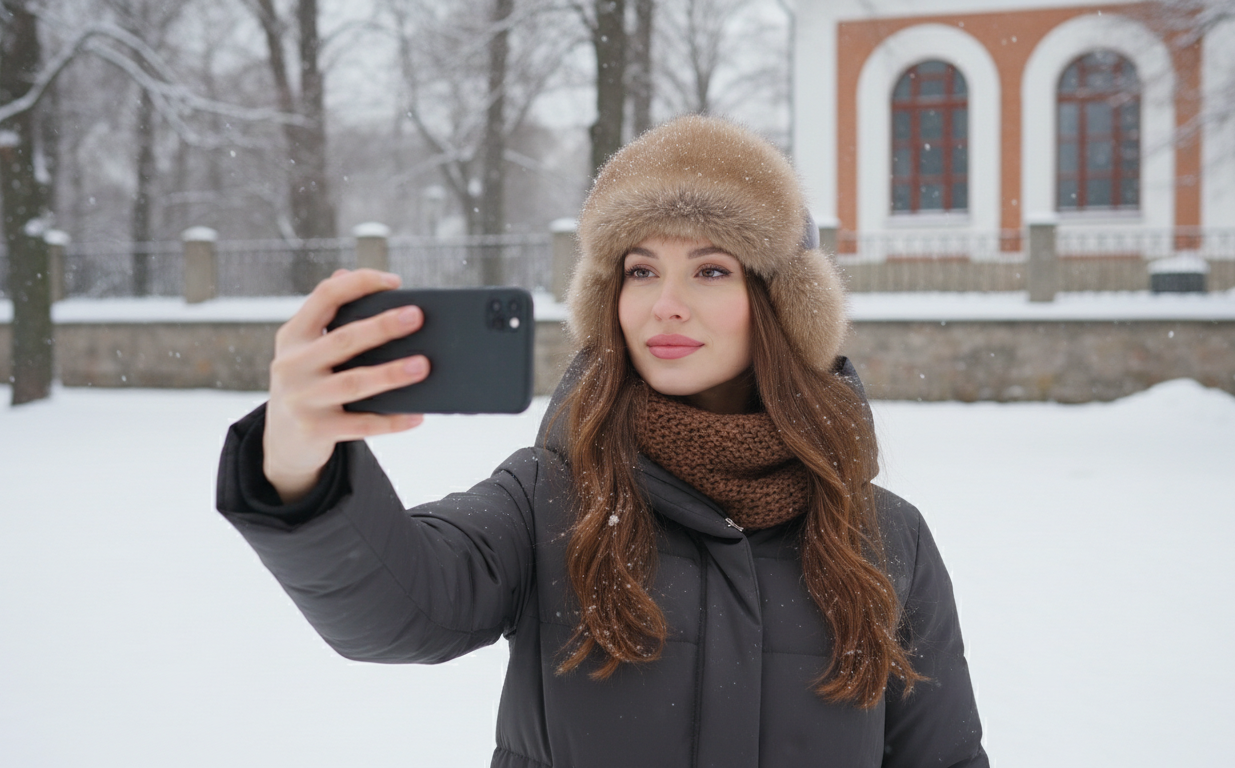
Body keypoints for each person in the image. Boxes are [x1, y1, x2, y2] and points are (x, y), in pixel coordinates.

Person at [216, 115, 988, 767]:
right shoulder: (549, 497)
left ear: (782, 305)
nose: (667, 306)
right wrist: (295, 464)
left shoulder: (887, 539)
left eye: (711, 270)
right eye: (642, 270)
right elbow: (399, 609)